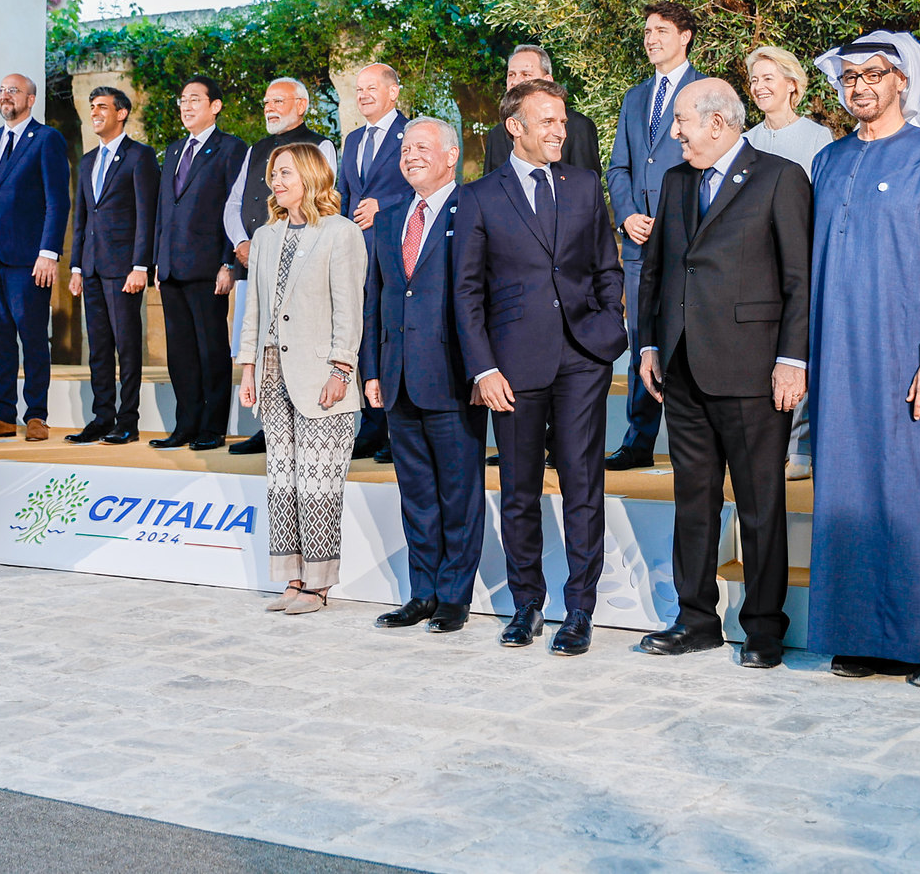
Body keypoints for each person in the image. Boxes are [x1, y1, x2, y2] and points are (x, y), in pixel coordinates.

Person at [805, 34, 920, 690]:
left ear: (902, 81)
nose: (859, 87)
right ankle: (863, 636)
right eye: (849, 77)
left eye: (873, 74)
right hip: (840, 358)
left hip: (911, 356)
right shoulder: (829, 160)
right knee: (850, 493)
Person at [636, 80, 811, 667]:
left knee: (761, 505)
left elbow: (798, 281)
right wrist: (651, 344)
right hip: (682, 369)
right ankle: (696, 620)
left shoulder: (781, 178)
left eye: (683, 121)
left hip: (754, 371)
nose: (676, 132)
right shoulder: (676, 181)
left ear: (718, 123)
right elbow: (657, 270)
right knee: (693, 501)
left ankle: (764, 628)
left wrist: (792, 360)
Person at [456, 79, 628, 655]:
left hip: (583, 359)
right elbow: (467, 292)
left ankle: (580, 608)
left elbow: (607, 265)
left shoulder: (583, 185)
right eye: (548, 122)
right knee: (519, 490)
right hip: (512, 367)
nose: (560, 131)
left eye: (562, 121)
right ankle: (527, 602)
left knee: (584, 485)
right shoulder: (479, 196)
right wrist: (483, 369)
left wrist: (608, 328)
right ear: (516, 127)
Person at [361, 117, 482, 634]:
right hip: (397, 376)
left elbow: (481, 297)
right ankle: (423, 593)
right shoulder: (388, 219)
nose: (410, 155)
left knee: (458, 492)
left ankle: (455, 596)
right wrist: (372, 368)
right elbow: (376, 298)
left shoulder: (474, 208)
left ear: (451, 155)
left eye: (422, 147)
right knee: (416, 494)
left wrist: (482, 369)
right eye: (406, 148)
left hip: (453, 375)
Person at [234, 144, 367, 615]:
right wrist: (247, 368)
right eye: (273, 174)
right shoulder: (265, 236)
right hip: (271, 371)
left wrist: (341, 369)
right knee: (282, 480)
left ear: (310, 175)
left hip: (321, 375)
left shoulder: (341, 233)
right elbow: (254, 310)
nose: (276, 181)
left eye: (285, 173)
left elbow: (350, 309)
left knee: (319, 482)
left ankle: (320, 581)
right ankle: (291, 574)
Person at [605, 1, 703, 470]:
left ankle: (695, 442)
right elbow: (619, 166)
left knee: (688, 336)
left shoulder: (706, 90)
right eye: (646, 30)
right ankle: (638, 440)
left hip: (686, 239)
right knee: (641, 334)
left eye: (661, 30)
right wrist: (625, 215)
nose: (650, 38)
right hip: (639, 242)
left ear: (685, 36)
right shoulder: (634, 96)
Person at [221, 78, 335, 455]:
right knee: (259, 347)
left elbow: (326, 201)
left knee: (295, 347)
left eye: (278, 101)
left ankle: (301, 423)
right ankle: (267, 427)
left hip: (303, 271)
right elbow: (234, 203)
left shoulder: (320, 146)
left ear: (301, 105)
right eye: (266, 101)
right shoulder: (255, 149)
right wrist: (241, 243)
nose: (269, 107)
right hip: (255, 265)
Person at [0, 73, 71, 443]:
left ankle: (36, 415)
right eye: (1, 91)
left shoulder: (47, 139)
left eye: (13, 91)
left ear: (31, 99)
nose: (6, 96)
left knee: (33, 337)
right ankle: (2, 415)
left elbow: (58, 200)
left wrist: (48, 253)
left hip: (29, 260)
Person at [742, 46, 832, 482]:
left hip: (803, 259)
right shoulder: (747, 141)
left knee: (802, 349)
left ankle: (802, 446)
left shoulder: (817, 139)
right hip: (757, 267)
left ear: (793, 85)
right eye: (754, 80)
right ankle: (769, 443)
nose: (758, 87)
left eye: (767, 78)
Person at [152, 76, 248, 450]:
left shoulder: (231, 149)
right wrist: (159, 261)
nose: (186, 105)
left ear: (215, 106)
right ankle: (185, 425)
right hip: (172, 267)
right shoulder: (174, 150)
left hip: (209, 268)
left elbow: (234, 208)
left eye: (195, 99)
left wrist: (228, 263)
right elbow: (165, 209)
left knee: (211, 350)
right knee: (180, 353)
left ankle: (212, 427)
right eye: (182, 99)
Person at [66, 86, 159, 446]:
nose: (95, 112)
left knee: (127, 345)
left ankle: (128, 420)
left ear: (121, 113)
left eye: (102, 106)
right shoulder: (87, 161)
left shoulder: (140, 157)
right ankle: (101, 417)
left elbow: (146, 215)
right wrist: (75, 267)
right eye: (92, 107)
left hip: (124, 270)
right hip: (90, 268)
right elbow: (82, 217)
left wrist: (141, 265)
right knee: (99, 347)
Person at [339, 63, 409, 464]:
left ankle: (393, 428)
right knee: (363, 330)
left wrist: (385, 206)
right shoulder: (352, 140)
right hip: (356, 255)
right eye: (359, 88)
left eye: (372, 88)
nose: (363, 94)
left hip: (396, 253)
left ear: (393, 92)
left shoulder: (411, 135)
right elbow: (345, 197)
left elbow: (430, 188)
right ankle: (370, 423)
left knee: (388, 332)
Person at [481, 44, 600, 176]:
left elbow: (586, 189)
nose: (515, 81)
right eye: (511, 75)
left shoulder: (579, 127)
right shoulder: (497, 134)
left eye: (526, 74)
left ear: (548, 81)